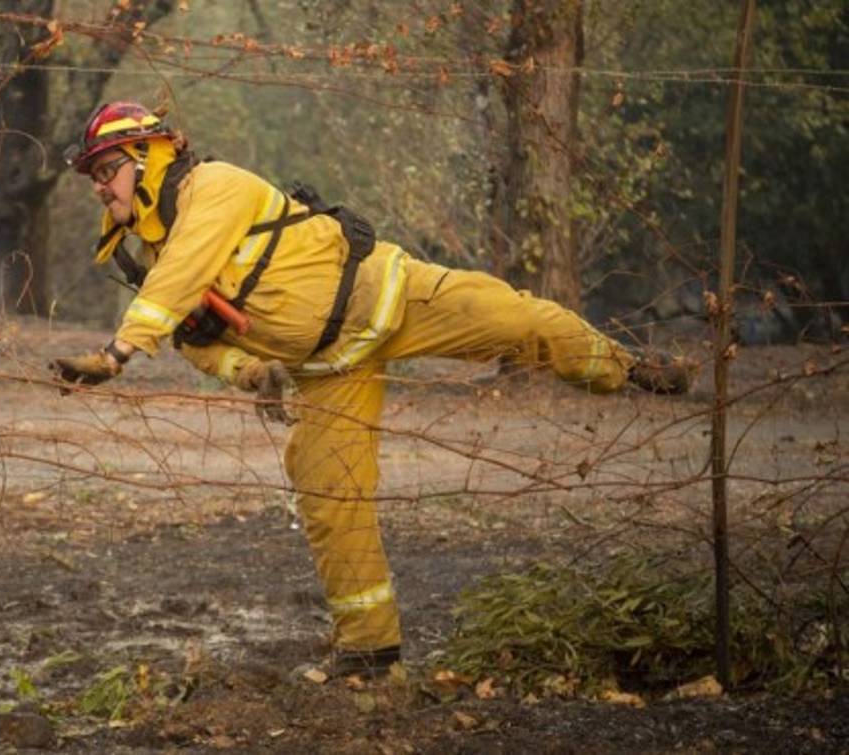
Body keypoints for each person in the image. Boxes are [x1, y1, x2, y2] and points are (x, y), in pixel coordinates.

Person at [50, 101, 694, 677]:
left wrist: (118, 353)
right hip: (330, 371)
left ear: (150, 154)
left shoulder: (213, 189)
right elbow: (199, 343)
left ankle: (628, 369)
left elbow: (184, 274)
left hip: (391, 296)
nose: (100, 188)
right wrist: (250, 373)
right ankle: (369, 650)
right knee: (328, 493)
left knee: (517, 319)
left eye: (106, 170)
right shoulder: (156, 264)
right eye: (93, 178)